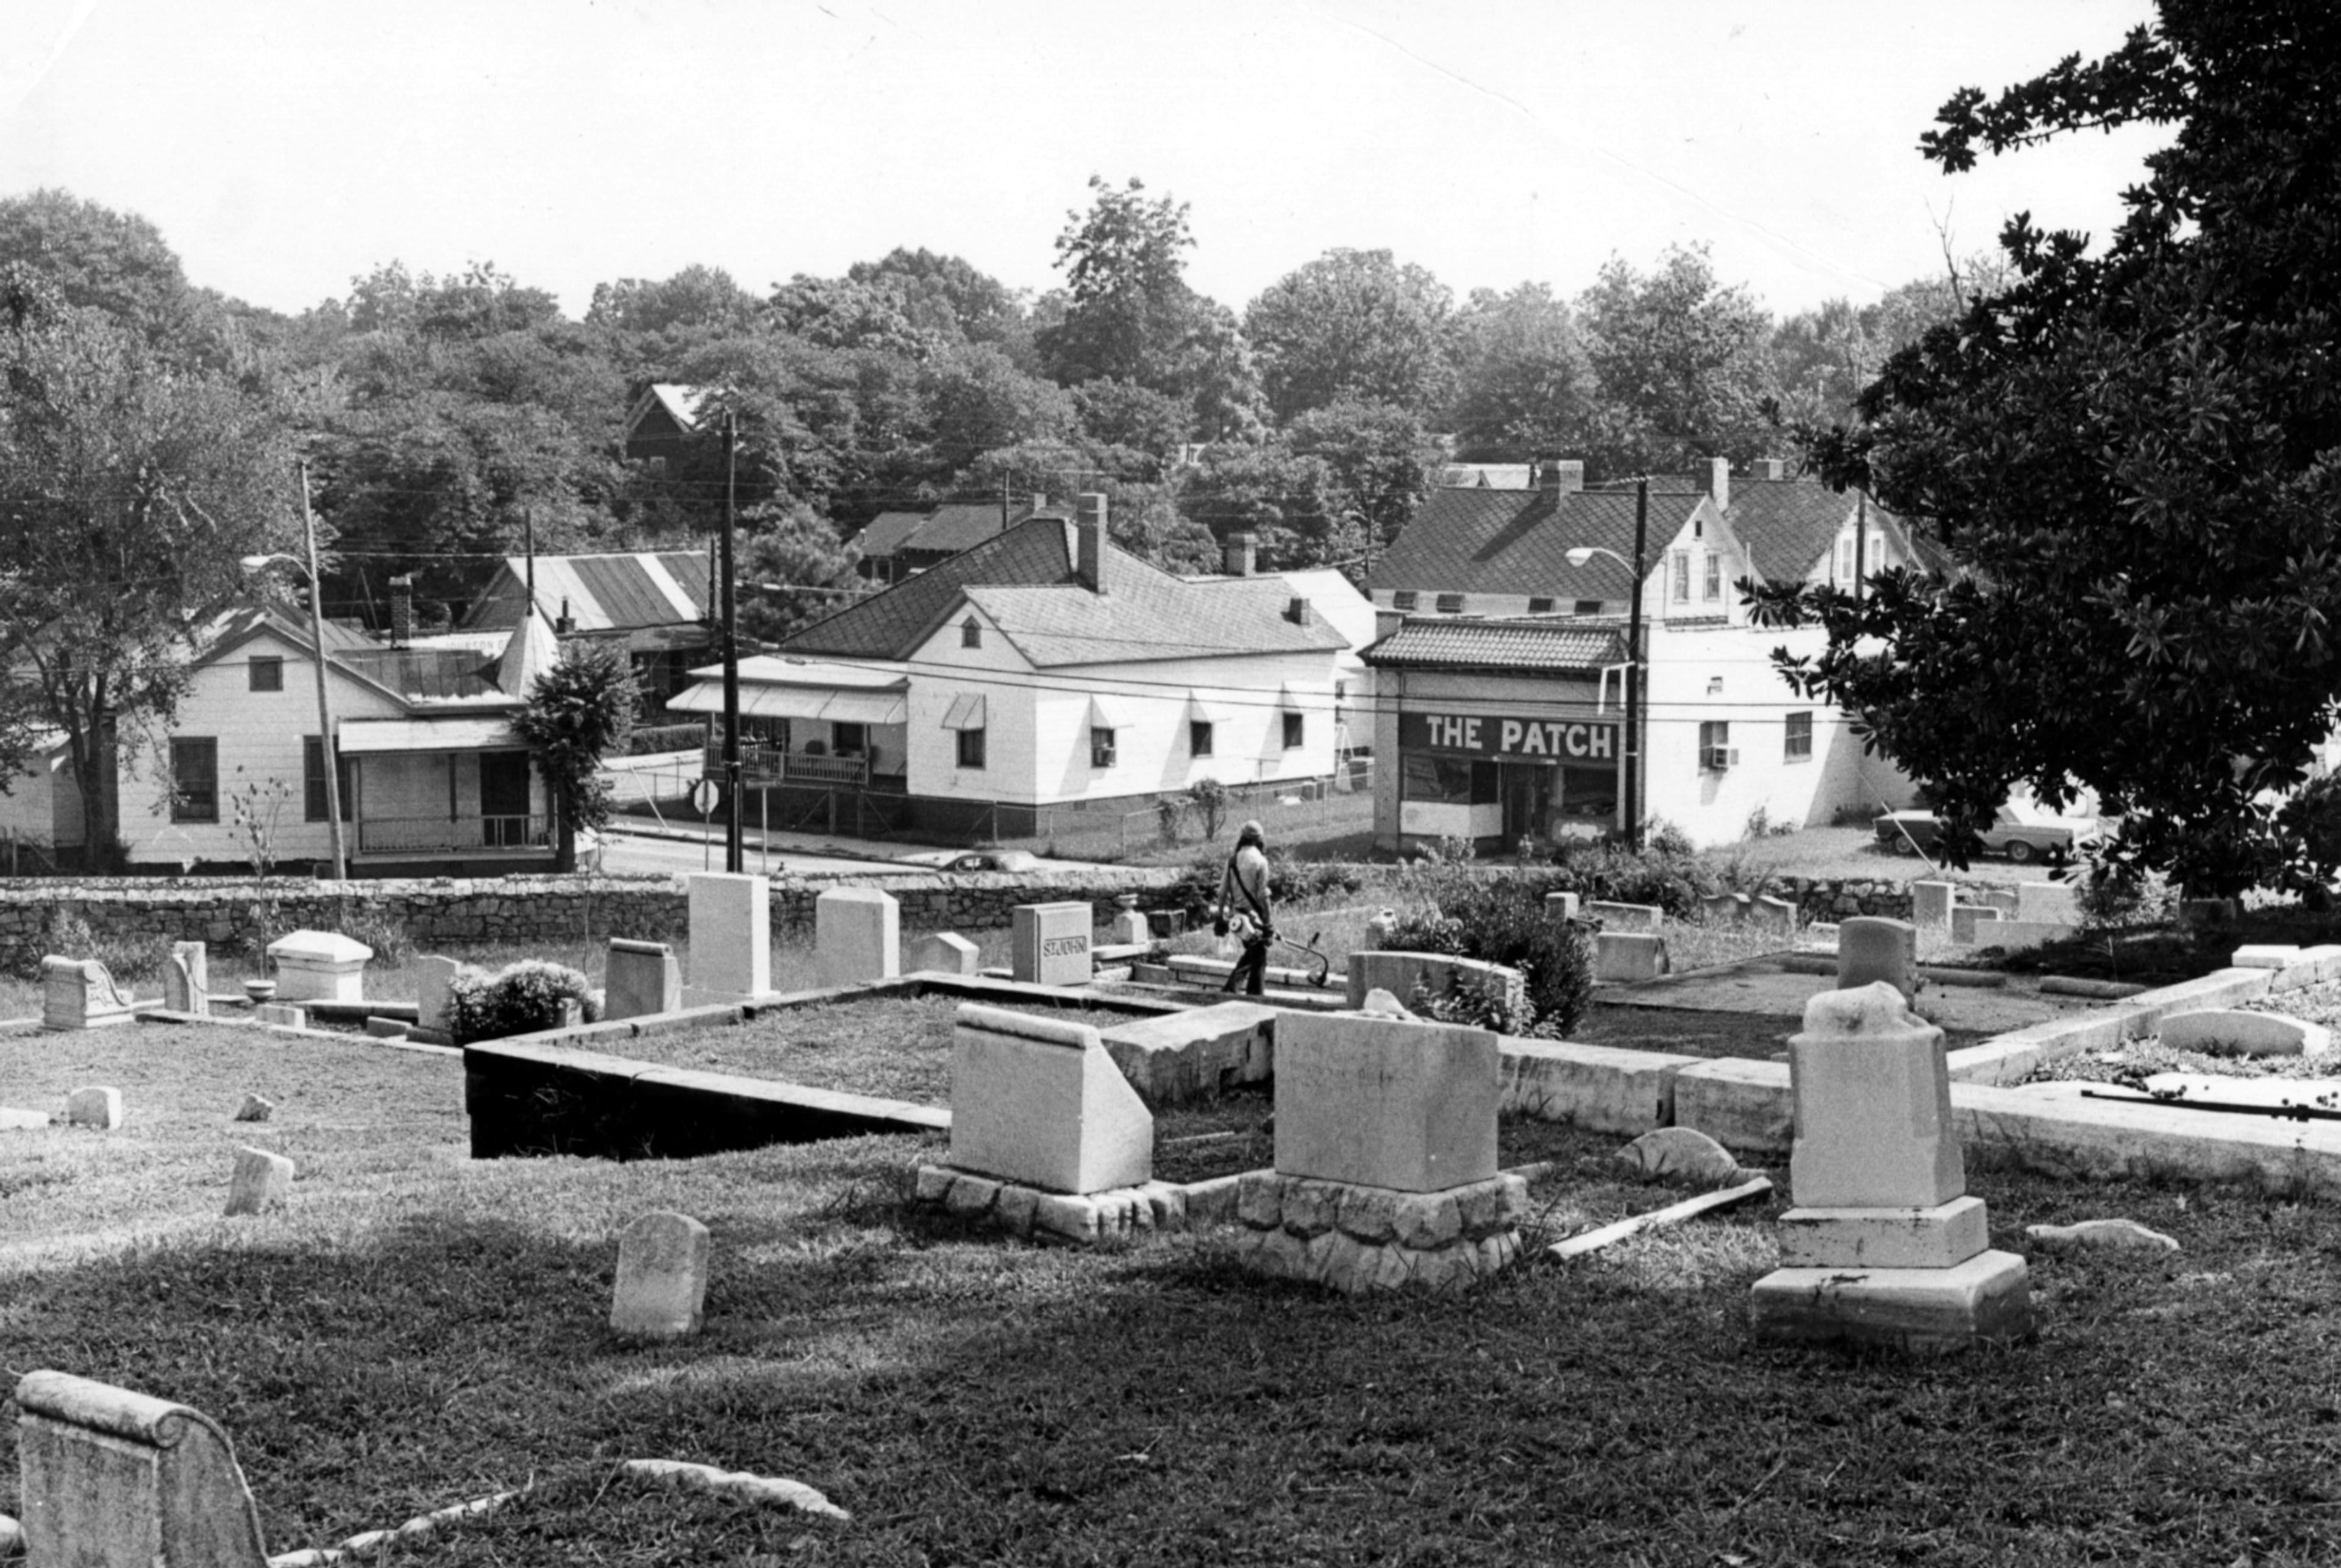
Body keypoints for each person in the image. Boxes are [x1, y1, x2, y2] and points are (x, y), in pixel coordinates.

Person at [1217, 820, 1274, 996]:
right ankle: (1230, 990)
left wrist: (1220, 917)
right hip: (1255, 919)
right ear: (1260, 839)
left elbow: (1222, 892)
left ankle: (1255, 995)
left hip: (1239, 919)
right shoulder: (1261, 861)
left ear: (1242, 837)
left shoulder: (1232, 861)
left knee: (1258, 956)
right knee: (1254, 956)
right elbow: (1263, 897)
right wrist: (1269, 923)